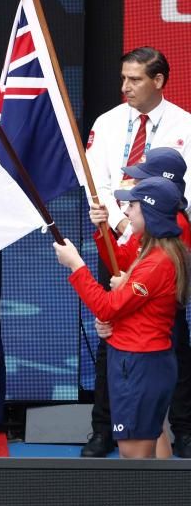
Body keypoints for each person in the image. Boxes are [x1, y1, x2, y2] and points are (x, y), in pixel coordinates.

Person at [83, 47, 191, 457]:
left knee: (171, 337)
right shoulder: (108, 124)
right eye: (124, 78)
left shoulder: (185, 126)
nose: (125, 86)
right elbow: (98, 182)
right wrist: (125, 224)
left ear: (159, 80)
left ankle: (182, 428)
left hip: (166, 244)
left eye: (135, 79)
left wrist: (149, 227)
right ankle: (104, 428)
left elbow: (185, 192)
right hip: (116, 238)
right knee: (111, 329)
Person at [54, 177, 190, 459]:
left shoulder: (156, 261)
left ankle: (145, 505)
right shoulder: (152, 245)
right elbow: (121, 301)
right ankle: (166, 504)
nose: (125, 211)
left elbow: (107, 307)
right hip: (144, 362)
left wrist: (76, 265)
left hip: (138, 366)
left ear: (150, 212)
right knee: (154, 437)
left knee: (134, 455)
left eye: (132, 205)